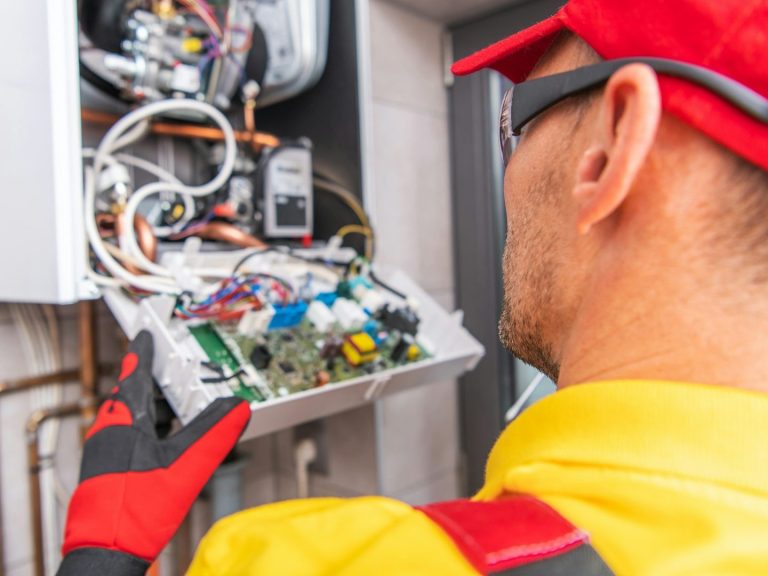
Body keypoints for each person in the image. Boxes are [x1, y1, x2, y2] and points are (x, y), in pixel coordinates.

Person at [57, 0, 768, 574]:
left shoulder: (304, 563)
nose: (510, 175)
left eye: (514, 123)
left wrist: (101, 562)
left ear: (611, 147)